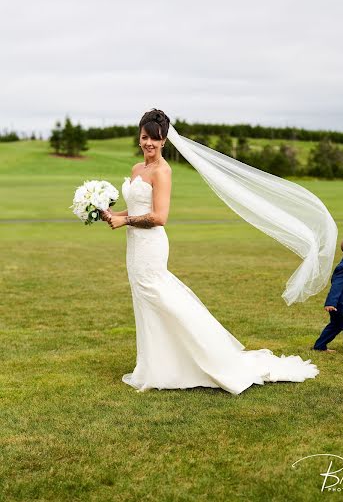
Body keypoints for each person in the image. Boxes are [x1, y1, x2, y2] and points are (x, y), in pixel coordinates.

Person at [102, 109, 319, 395]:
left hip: (151, 245)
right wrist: (112, 213)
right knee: (144, 302)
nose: (149, 144)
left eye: (155, 139)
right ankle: (153, 365)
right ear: (139, 137)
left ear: (165, 140)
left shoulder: (162, 171)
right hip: (134, 246)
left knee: (161, 299)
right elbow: (139, 208)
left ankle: (207, 357)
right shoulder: (136, 170)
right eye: (144, 137)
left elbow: (159, 217)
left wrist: (125, 220)